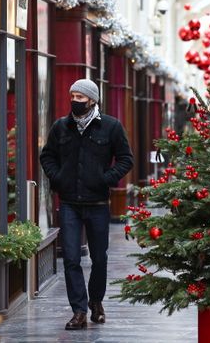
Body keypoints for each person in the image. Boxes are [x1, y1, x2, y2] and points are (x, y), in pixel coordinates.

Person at [40, 78, 134, 330]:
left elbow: (126, 159)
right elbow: (47, 155)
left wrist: (106, 179)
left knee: (99, 258)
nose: (74, 101)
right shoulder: (61, 127)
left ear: (92, 100)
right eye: (72, 96)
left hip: (98, 203)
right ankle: (79, 310)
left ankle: (96, 301)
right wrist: (58, 178)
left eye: (80, 97)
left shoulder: (111, 127)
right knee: (70, 258)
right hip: (69, 202)